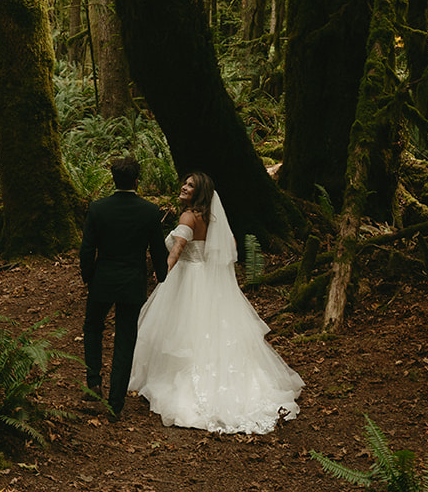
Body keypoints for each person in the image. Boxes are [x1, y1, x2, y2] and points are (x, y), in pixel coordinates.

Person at [129, 172, 304, 434]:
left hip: (187, 278)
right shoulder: (212, 218)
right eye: (185, 183)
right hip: (206, 280)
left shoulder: (188, 217)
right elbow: (230, 244)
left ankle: (184, 386)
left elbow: (177, 249)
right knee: (210, 330)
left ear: (199, 192)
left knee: (183, 331)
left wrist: (163, 272)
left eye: (190, 185)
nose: (184, 187)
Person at [79, 156, 170, 419]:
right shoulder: (150, 211)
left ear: (113, 179)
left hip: (103, 279)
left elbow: (87, 249)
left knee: (93, 326)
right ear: (137, 180)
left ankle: (94, 379)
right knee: (125, 339)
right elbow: (156, 250)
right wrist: (161, 277)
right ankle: (115, 404)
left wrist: (89, 276)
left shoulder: (98, 208)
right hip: (132, 281)